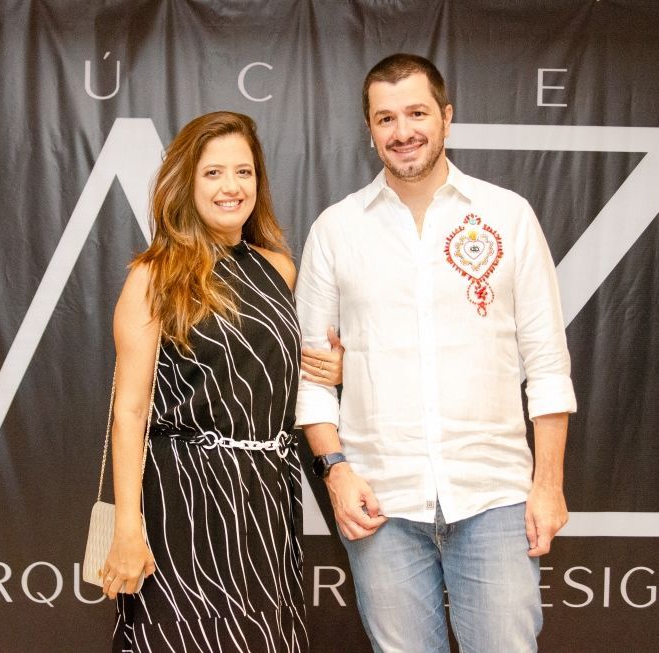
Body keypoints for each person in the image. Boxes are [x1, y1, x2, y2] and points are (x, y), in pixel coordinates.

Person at [294, 54, 577, 653]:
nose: (403, 132)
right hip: (381, 502)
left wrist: (547, 484)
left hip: (494, 495)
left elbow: (548, 364)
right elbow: (313, 380)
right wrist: (336, 472)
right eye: (386, 118)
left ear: (446, 117)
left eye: (417, 112)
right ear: (369, 130)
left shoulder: (508, 216)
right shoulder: (336, 230)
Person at [100, 111, 342, 652]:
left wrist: (338, 368)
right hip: (182, 497)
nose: (232, 187)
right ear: (185, 182)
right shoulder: (152, 275)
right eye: (213, 173)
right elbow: (130, 410)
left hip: (268, 496)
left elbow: (284, 372)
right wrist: (126, 527)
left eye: (244, 172)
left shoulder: (278, 268)